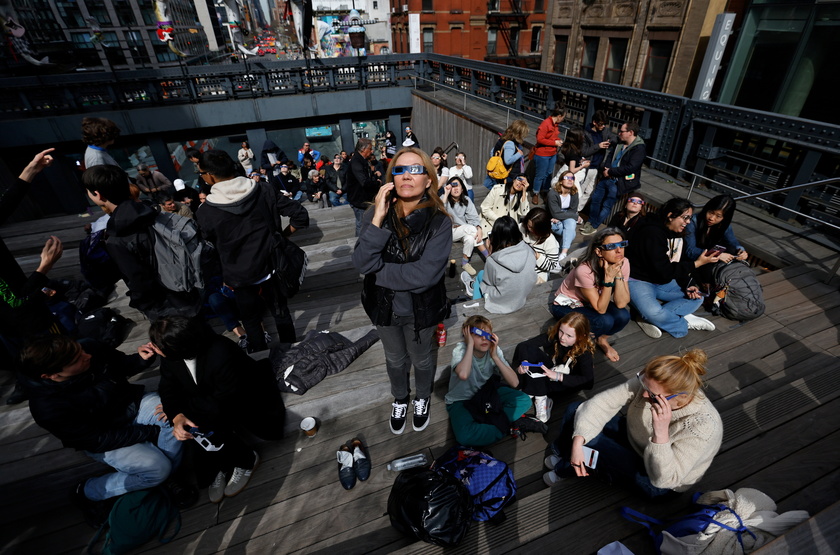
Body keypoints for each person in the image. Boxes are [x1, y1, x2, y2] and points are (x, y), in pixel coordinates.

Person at [18, 335, 184, 523]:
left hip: (131, 406)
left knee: (175, 414)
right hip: (105, 438)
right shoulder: (46, 407)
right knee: (156, 469)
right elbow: (95, 439)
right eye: (77, 359)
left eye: (80, 349)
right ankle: (88, 491)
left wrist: (140, 360)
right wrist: (149, 432)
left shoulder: (89, 347)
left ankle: (170, 477)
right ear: (51, 376)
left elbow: (121, 365)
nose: (87, 355)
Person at [352, 147, 452, 435]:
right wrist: (378, 217)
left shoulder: (439, 222)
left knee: (422, 358)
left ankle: (422, 397)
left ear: (429, 180)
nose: (406, 175)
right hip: (382, 307)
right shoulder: (375, 213)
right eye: (399, 169)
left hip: (422, 310)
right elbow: (360, 262)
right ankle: (401, 397)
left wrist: (377, 271)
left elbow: (424, 276)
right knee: (394, 358)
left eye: (416, 169)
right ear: (390, 178)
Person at [544, 350, 723, 499]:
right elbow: (602, 403)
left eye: (651, 395)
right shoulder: (652, 384)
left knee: (596, 444)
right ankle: (567, 452)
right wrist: (577, 442)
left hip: (657, 481)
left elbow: (666, 479)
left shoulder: (703, 428)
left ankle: (565, 468)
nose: (644, 396)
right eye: (643, 385)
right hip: (637, 441)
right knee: (578, 411)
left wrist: (661, 435)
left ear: (680, 396)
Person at [152, 317, 284, 502]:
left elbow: (224, 400)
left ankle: (245, 460)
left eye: (157, 346)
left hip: (243, 398)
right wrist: (176, 415)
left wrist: (184, 411)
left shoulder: (220, 351)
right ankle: (218, 466)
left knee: (203, 421)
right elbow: (167, 388)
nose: (153, 348)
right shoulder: (170, 357)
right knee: (191, 422)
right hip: (207, 399)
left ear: (178, 348)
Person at [197, 150, 309, 351]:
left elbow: (208, 251)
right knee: (281, 313)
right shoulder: (263, 190)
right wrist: (281, 237)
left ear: (210, 176)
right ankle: (290, 352)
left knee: (250, 320)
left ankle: (261, 358)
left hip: (238, 276)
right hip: (272, 266)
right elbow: (300, 216)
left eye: (201, 174)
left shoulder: (206, 212)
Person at [83, 165, 203, 321]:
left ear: (97, 195)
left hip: (165, 310)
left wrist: (141, 303)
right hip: (192, 289)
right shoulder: (154, 211)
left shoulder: (116, 237)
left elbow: (138, 281)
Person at [1, 149, 64, 405]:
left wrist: (32, 169)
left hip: (18, 315)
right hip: (24, 318)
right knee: (54, 358)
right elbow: (16, 303)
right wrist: (44, 268)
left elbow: (6, 204)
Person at [445, 315, 545, 446]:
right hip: (462, 400)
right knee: (465, 436)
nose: (484, 338)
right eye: (478, 333)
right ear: (467, 335)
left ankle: (493, 425)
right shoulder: (461, 350)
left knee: (524, 400)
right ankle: (505, 426)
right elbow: (463, 374)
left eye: (487, 334)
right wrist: (469, 345)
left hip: (487, 393)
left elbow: (515, 383)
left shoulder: (494, 350)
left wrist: (495, 357)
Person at [625, 197, 718, 339]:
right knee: (654, 312)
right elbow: (665, 270)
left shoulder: (676, 233)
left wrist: (689, 284)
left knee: (697, 297)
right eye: (685, 218)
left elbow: (675, 265)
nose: (688, 222)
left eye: (690, 218)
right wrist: (697, 263)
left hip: (660, 280)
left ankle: (648, 318)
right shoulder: (651, 232)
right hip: (637, 280)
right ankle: (682, 323)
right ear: (670, 215)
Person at [550, 228, 631, 361]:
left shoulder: (624, 262)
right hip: (567, 304)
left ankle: (601, 340)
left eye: (622, 244)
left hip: (591, 302)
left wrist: (619, 273)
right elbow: (601, 309)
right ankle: (575, 345)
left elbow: (621, 303)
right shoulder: (584, 270)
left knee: (623, 315)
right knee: (605, 321)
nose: (619, 250)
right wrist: (609, 279)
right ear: (599, 251)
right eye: (611, 246)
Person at [511, 312, 595, 422]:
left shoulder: (585, 353)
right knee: (528, 350)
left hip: (566, 383)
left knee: (539, 377)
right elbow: (524, 345)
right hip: (554, 370)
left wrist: (558, 376)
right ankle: (539, 395)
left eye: (569, 335)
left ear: (581, 337)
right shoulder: (556, 336)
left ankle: (539, 396)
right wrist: (525, 362)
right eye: (561, 331)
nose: (562, 337)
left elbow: (588, 382)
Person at [462, 216, 537, 314]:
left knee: (480, 278)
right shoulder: (529, 250)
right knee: (481, 275)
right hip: (522, 296)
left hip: (501, 301)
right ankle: (473, 287)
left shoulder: (492, 261)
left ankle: (475, 306)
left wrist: (490, 254)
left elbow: (488, 283)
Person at [582, 121, 646, 236]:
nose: (619, 133)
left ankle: (595, 225)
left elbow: (631, 167)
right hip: (606, 177)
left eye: (622, 131)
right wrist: (606, 168)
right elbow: (610, 155)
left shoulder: (639, 148)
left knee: (607, 205)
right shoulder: (620, 142)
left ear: (630, 132)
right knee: (595, 199)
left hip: (618, 182)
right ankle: (590, 221)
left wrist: (611, 171)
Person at [441, 176, 488, 277]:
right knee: (471, 229)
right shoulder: (444, 199)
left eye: (458, 185)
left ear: (462, 189)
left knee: (470, 238)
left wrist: (479, 228)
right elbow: (439, 212)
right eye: (453, 186)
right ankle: (488, 257)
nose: (456, 188)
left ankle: (465, 262)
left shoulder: (466, 200)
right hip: (448, 232)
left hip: (464, 231)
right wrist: (445, 194)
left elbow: (474, 217)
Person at [684, 194, 749, 267]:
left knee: (732, 250)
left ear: (725, 218)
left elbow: (733, 241)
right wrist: (718, 255)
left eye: (718, 216)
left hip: (708, 261)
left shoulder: (723, 225)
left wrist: (741, 251)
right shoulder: (693, 222)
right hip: (692, 262)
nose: (711, 218)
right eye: (711, 212)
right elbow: (690, 251)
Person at [580, 111, 616, 210]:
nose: (603, 126)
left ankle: (577, 211)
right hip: (587, 166)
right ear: (594, 122)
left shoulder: (604, 131)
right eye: (601, 124)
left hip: (596, 167)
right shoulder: (585, 133)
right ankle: (573, 211)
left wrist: (610, 141)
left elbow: (614, 137)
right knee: (581, 190)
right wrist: (598, 146)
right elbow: (584, 152)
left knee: (589, 192)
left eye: (604, 124)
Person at [346, 138, 381, 236]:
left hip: (364, 199)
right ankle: (360, 246)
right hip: (359, 201)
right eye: (370, 149)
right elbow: (364, 182)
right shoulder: (356, 162)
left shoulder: (362, 160)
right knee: (361, 225)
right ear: (363, 149)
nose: (371, 151)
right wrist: (377, 183)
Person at [532, 106, 565, 204]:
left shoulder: (555, 124)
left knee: (549, 173)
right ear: (559, 116)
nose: (563, 119)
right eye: (563, 117)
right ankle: (536, 193)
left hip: (552, 153)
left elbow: (551, 137)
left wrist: (557, 140)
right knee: (540, 175)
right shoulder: (546, 124)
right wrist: (554, 143)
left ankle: (545, 191)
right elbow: (540, 139)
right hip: (543, 154)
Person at [484, 119, 528, 190]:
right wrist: (518, 154)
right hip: (508, 175)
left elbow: (492, 152)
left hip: (500, 173)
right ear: (519, 133)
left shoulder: (503, 139)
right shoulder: (510, 144)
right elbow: (508, 160)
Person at [546, 170, 579, 261]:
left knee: (571, 223)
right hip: (552, 219)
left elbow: (573, 210)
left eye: (572, 178)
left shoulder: (574, 193)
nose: (570, 180)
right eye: (567, 178)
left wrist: (570, 216)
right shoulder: (553, 193)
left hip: (565, 219)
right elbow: (555, 213)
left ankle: (563, 254)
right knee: (571, 233)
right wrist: (575, 216)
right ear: (561, 181)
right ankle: (560, 253)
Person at [521, 207, 560, 282]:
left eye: (532, 228)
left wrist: (537, 256)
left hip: (537, 275)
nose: (529, 229)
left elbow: (552, 266)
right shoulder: (522, 228)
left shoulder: (550, 241)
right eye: (528, 225)